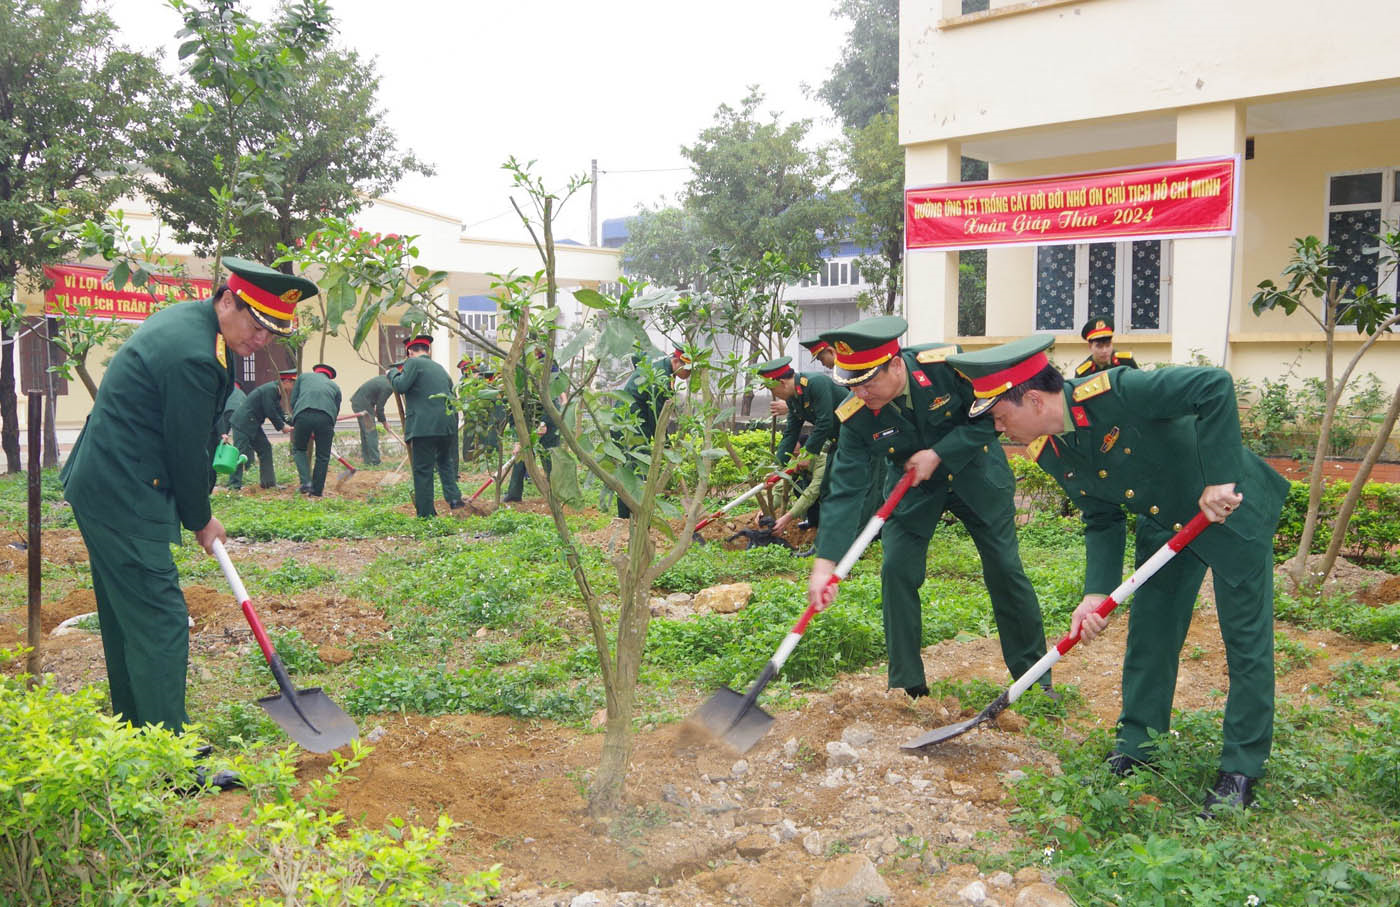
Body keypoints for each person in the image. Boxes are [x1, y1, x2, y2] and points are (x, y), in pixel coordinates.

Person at [948, 335, 1288, 816]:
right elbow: (1100, 515)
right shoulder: (1047, 449)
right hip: (1165, 525)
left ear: (1036, 399)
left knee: (1245, 641)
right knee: (1151, 633)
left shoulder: (1116, 392)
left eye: (1001, 416)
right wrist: (1094, 593)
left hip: (1229, 514)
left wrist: (1220, 477)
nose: (999, 428)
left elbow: (1214, 386)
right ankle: (1138, 744)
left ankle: (1242, 768)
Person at [60, 257, 314, 751]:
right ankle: (170, 757)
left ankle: (139, 736)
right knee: (159, 619)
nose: (262, 339)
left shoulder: (194, 325)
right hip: (125, 490)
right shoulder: (194, 355)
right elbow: (181, 450)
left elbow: (189, 428)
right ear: (226, 300)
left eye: (272, 331)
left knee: (127, 618)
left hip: (106, 480)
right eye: (256, 324)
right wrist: (200, 517)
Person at [803, 315, 1050, 699]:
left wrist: (940, 452)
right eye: (852, 385)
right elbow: (846, 489)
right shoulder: (855, 415)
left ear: (896, 364)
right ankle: (907, 685)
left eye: (868, 382)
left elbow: (992, 417)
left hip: (976, 475)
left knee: (1004, 568)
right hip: (911, 491)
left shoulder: (947, 367)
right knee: (896, 569)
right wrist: (825, 564)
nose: (861, 394)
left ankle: (1034, 678)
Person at [754, 356, 839, 536]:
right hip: (838, 442)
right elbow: (790, 434)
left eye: (772, 389)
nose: (774, 394)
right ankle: (824, 536)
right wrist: (776, 468)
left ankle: (862, 541)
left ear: (783, 382)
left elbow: (825, 422)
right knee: (826, 490)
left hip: (858, 438)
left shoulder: (816, 384)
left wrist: (807, 455)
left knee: (844, 489)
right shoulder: (794, 399)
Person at [388, 334, 465, 516]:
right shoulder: (440, 368)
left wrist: (392, 374)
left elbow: (400, 386)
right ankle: (455, 500)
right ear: (428, 350)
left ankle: (426, 514)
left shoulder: (413, 363)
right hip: (446, 424)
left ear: (409, 352)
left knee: (423, 470)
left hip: (424, 427)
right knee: (445, 462)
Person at [615, 348, 692, 518]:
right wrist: (663, 440)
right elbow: (657, 416)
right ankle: (626, 517)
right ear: (676, 362)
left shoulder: (664, 372)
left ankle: (633, 515)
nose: (688, 374)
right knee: (634, 469)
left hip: (637, 423)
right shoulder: (659, 378)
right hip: (629, 424)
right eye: (688, 370)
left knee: (636, 468)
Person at [503, 354, 562, 504]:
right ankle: (513, 494)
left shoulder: (546, 368)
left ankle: (556, 494)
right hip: (527, 424)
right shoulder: (516, 386)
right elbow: (513, 415)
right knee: (522, 457)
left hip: (548, 424)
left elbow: (553, 403)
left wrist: (544, 423)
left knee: (549, 457)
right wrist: (518, 439)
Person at [227, 368, 295, 490]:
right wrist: (282, 426)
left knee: (265, 449)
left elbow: (278, 411)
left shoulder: (275, 391)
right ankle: (233, 485)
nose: (293, 387)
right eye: (293, 384)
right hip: (243, 423)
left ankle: (268, 483)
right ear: (286, 382)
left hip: (253, 424)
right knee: (239, 452)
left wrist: (292, 421)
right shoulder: (270, 390)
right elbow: (270, 410)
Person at [288, 364, 341, 496]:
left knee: (299, 449)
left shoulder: (303, 377)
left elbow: (293, 400)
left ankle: (306, 483)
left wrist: (298, 418)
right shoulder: (335, 387)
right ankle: (317, 491)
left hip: (303, 415)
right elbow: (336, 410)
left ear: (316, 372)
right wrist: (326, 426)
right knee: (323, 456)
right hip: (326, 419)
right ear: (329, 376)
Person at [350, 371, 394, 466]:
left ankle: (367, 460)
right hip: (362, 405)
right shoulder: (389, 387)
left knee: (366, 432)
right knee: (371, 432)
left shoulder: (384, 379)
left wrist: (375, 411)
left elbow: (373, 396)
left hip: (358, 402)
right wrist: (385, 423)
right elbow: (380, 408)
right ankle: (375, 461)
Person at [1073, 315, 1138, 377]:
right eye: (1099, 346)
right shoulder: (1084, 372)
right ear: (1090, 346)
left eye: (1108, 345)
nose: (1104, 350)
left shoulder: (1125, 361)